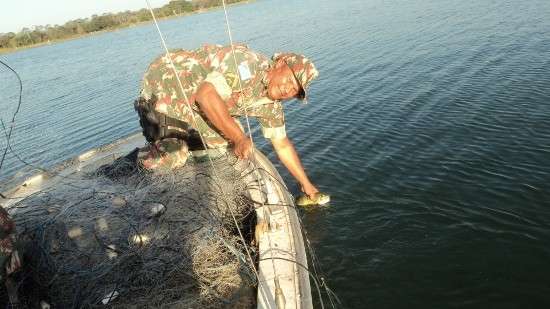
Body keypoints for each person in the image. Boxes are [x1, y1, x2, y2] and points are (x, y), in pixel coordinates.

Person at [134, 43, 329, 206]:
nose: (288, 89)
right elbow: (205, 95)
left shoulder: (272, 106)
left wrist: (306, 184)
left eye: (295, 91)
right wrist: (239, 139)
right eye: (289, 79)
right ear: (280, 63)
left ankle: (190, 143)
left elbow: (282, 144)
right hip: (166, 85)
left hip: (196, 102)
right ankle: (140, 161)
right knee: (176, 154)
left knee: (225, 143)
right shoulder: (246, 63)